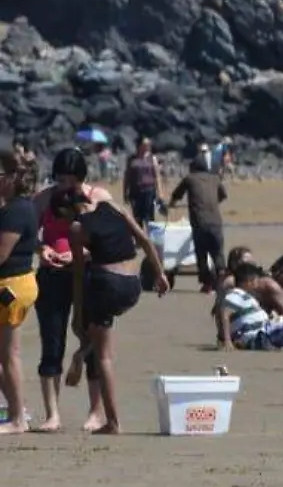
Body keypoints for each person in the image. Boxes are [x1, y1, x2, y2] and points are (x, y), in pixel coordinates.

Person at [55, 186, 171, 434]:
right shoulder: (114, 207)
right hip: (134, 285)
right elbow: (144, 239)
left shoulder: (77, 228)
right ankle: (84, 349)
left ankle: (113, 422)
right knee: (100, 336)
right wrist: (160, 273)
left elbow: (77, 274)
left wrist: (77, 314)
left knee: (103, 356)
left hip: (107, 286)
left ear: (68, 210)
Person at [31, 149, 110, 433]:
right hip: (52, 276)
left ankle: (96, 411)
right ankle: (52, 414)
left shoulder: (97, 197)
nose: (65, 186)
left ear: (81, 179)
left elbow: (111, 236)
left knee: (92, 344)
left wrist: (84, 254)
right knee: (52, 344)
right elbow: (26, 233)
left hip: (88, 275)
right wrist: (43, 249)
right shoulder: (43, 199)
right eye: (60, 180)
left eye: (71, 181)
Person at [0, 150, 39, 432]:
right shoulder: (13, 207)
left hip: (11, 287)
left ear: (12, 177)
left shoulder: (17, 210)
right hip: (14, 283)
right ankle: (17, 410)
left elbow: (1, 254)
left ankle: (17, 418)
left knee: (9, 354)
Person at [166, 155, 226, 292]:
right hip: (216, 221)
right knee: (218, 253)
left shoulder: (190, 178)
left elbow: (176, 194)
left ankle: (207, 284)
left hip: (200, 222)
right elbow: (223, 195)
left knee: (202, 253)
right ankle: (222, 281)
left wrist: (171, 204)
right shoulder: (215, 178)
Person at [122, 137, 162, 227]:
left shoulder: (152, 158)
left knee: (150, 218)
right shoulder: (131, 159)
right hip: (135, 191)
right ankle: (140, 238)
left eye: (148, 145)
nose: (147, 146)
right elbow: (127, 176)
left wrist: (160, 194)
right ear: (139, 146)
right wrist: (124, 192)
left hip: (149, 191)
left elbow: (157, 176)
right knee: (137, 218)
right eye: (145, 145)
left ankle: (150, 239)